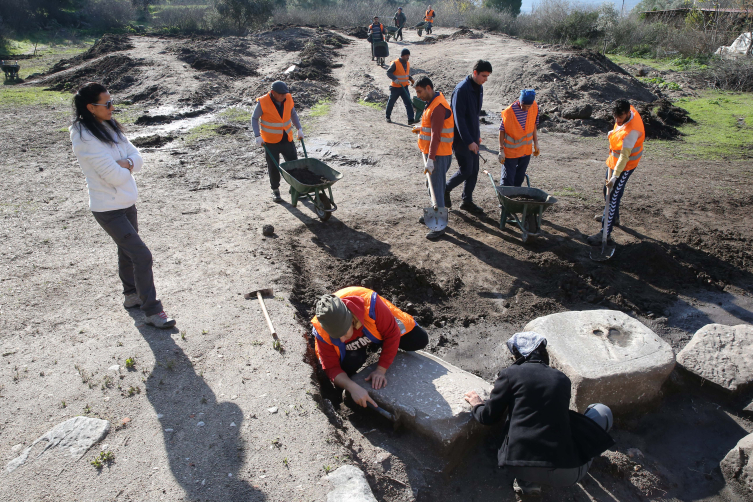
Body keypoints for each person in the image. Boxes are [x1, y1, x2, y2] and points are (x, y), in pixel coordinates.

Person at [69, 82, 176, 328]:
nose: (112, 107)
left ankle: (131, 295)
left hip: (127, 202)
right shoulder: (85, 138)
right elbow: (115, 175)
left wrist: (124, 163)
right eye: (106, 104)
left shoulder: (109, 127)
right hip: (108, 208)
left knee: (127, 252)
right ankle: (152, 311)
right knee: (142, 255)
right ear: (90, 107)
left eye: (111, 102)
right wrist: (128, 164)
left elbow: (137, 158)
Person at [464, 332, 614, 496]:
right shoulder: (562, 379)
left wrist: (477, 403)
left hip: (519, 465)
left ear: (517, 355)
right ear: (543, 353)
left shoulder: (510, 374)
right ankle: (583, 456)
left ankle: (527, 484)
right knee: (601, 411)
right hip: (568, 475)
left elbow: (488, 417)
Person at [311, 288, 429, 408]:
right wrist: (353, 387)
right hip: (355, 346)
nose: (341, 339)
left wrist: (380, 370)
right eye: (336, 337)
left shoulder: (370, 305)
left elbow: (392, 333)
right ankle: (365, 348)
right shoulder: (322, 332)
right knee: (348, 366)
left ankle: (377, 342)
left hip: (376, 327)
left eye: (343, 334)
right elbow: (331, 368)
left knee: (419, 340)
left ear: (351, 320)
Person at [587, 99, 645, 246]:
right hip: (614, 160)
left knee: (612, 196)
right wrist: (614, 132)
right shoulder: (627, 111)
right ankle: (613, 218)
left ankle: (605, 233)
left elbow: (624, 157)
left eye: (620, 118)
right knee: (607, 192)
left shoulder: (632, 132)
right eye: (615, 118)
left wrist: (614, 176)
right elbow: (620, 129)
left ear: (626, 113)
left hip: (626, 165)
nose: (617, 120)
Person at [445, 60, 492, 214]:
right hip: (460, 139)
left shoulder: (478, 88)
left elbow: (474, 115)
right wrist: (468, 141)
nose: (485, 79)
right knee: (466, 169)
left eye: (487, 76)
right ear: (475, 73)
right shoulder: (461, 90)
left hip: (472, 137)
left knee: (474, 169)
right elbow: (458, 119)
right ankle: (445, 188)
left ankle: (467, 201)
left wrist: (476, 137)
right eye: (483, 76)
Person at [412, 76, 453, 240]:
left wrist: (430, 160)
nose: (418, 96)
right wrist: (421, 128)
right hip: (437, 153)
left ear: (428, 88)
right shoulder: (433, 102)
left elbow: (436, 136)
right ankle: (434, 213)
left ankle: (439, 225)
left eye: (420, 91)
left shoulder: (438, 107)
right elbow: (433, 127)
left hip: (438, 154)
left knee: (436, 188)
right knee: (431, 185)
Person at [252, 80, 303, 202]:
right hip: (270, 142)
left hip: (287, 138)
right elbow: (254, 118)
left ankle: (295, 188)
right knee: (273, 167)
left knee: (293, 164)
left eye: (284, 94)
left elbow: (293, 113)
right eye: (280, 94)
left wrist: (299, 128)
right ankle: (275, 191)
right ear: (273, 92)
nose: (283, 96)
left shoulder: (288, 98)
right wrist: (257, 135)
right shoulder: (263, 102)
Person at [499, 89, 540, 187]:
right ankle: (505, 200)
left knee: (519, 178)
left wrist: (536, 143)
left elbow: (534, 125)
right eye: (523, 105)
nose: (525, 108)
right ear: (519, 101)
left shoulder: (534, 107)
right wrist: (501, 150)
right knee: (508, 179)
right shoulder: (509, 112)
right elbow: (501, 130)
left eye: (528, 106)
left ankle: (515, 198)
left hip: (526, 151)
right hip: (511, 152)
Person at [385, 48, 416, 125]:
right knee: (391, 102)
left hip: (404, 87)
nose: (408, 57)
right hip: (395, 87)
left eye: (408, 55)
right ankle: (387, 116)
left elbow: (405, 74)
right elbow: (388, 72)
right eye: (406, 56)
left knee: (408, 102)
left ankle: (411, 119)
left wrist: (411, 79)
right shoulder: (395, 63)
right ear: (402, 56)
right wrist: (395, 79)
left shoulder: (407, 63)